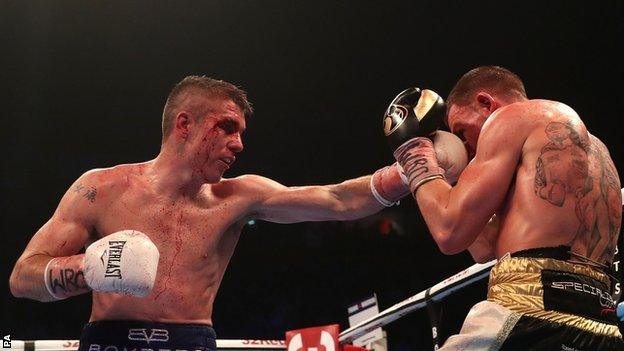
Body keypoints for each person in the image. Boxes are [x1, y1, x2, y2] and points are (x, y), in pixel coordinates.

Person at [9, 76, 417, 351]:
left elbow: (338, 199)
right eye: (226, 127)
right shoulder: (101, 188)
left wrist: (411, 169)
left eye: (241, 133)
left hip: (193, 340)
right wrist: (88, 269)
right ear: (184, 124)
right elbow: (23, 277)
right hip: (108, 340)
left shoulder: (237, 197)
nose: (238, 145)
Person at [387, 66, 623, 349]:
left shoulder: (507, 119)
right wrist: (453, 182)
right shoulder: (598, 150)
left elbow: (448, 232)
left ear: (486, 103)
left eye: (461, 131)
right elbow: (484, 247)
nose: (467, 148)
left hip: (529, 311)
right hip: (601, 325)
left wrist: (415, 154)